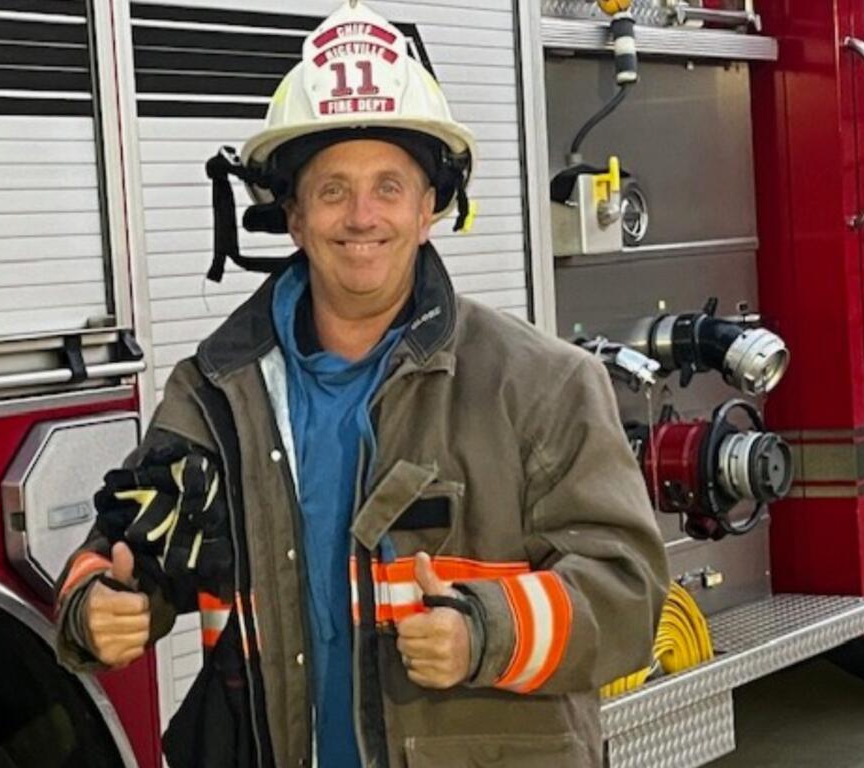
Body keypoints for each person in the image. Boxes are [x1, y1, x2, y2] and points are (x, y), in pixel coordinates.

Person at [55, 2, 668, 766]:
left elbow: (630, 592)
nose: (361, 216)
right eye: (333, 190)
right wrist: (96, 609)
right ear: (295, 216)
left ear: (429, 208)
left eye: (388, 186)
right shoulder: (216, 394)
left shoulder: (541, 386)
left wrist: (487, 632)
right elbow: (120, 547)